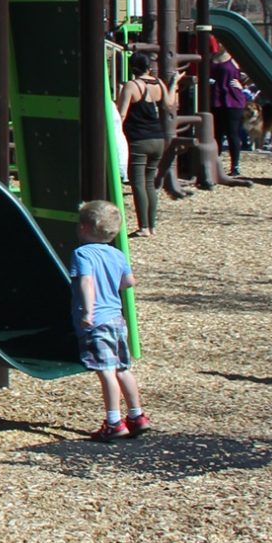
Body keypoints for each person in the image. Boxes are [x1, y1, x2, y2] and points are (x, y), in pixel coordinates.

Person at [71, 200, 148, 441]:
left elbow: (86, 282)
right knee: (123, 369)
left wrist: (87, 312)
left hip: (98, 321)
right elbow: (128, 282)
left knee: (106, 372)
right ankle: (136, 415)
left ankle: (114, 422)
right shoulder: (117, 254)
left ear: (83, 227)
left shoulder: (82, 254)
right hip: (116, 320)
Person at [117, 51, 173, 240]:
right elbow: (169, 104)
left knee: (138, 183)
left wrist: (115, 132)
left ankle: (143, 227)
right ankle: (152, 225)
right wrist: (174, 84)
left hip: (139, 140)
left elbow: (122, 113)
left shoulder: (132, 86)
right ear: (149, 67)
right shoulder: (159, 83)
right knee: (149, 182)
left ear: (132, 68)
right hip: (158, 138)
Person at [207, 37, 253, 179]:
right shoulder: (210, 57)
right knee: (216, 134)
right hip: (215, 99)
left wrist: (242, 85)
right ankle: (215, 164)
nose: (220, 44)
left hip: (233, 100)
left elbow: (253, 72)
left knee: (232, 133)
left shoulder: (235, 58)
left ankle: (235, 166)